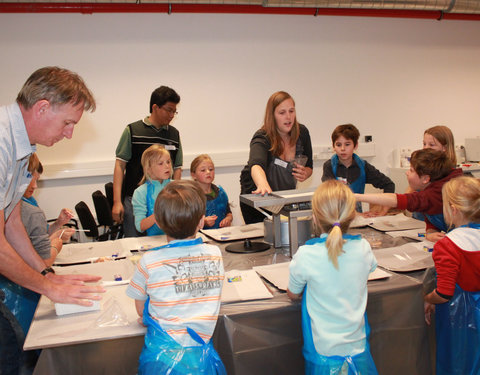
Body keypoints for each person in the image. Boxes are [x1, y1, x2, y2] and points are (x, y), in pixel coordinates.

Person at [0, 66, 104, 374]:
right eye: (68, 123)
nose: (70, 133)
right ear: (43, 107)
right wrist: (48, 287)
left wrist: (46, 271)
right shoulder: (2, 142)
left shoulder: (22, 147)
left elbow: (11, 221)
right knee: (11, 357)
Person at [126, 180, 226, 374]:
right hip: (201, 358)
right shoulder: (215, 254)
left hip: (162, 360)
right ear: (200, 221)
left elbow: (140, 310)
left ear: (160, 222)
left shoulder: (149, 261)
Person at [287, 180, 378, 374]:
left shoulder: (306, 255)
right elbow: (368, 269)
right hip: (358, 346)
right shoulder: (363, 248)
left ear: (315, 218)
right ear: (352, 215)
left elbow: (293, 294)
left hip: (322, 350)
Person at [424, 176, 480, 375]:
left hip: (460, 319)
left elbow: (444, 293)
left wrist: (427, 298)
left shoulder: (449, 245)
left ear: (453, 210)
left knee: (457, 364)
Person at [113, 86, 182, 237]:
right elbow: (120, 165)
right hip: (134, 198)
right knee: (135, 243)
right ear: (155, 107)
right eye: (169, 110)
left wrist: (175, 196)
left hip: (164, 201)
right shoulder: (133, 130)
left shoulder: (174, 134)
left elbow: (177, 168)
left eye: (174, 111)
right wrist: (117, 201)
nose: (171, 115)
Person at [355, 148, 463, 242]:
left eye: (411, 170)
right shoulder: (431, 189)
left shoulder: (437, 193)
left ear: (426, 179)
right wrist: (430, 233)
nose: (407, 173)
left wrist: (357, 196)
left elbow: (398, 200)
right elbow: (431, 217)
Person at [240, 91, 313, 224]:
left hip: (283, 198)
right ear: (272, 116)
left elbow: (309, 168)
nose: (288, 117)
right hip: (258, 199)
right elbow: (256, 165)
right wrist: (262, 185)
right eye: (282, 113)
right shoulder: (262, 137)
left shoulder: (302, 133)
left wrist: (305, 173)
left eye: (291, 111)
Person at [322, 123, 395, 216]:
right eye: (338, 145)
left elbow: (389, 185)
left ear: (355, 146)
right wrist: (354, 215)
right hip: (335, 217)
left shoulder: (363, 166)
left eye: (347, 144)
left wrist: (383, 208)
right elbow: (330, 196)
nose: (343, 148)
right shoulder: (329, 166)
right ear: (333, 146)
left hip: (358, 220)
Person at [21, 153, 75, 267]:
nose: (35, 186)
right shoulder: (28, 211)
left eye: (37, 180)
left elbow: (42, 234)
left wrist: (58, 223)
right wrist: (56, 242)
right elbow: (40, 258)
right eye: (32, 180)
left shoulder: (30, 200)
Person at [409, 125, 457, 221]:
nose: (426, 148)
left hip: (433, 219)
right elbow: (413, 188)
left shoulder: (447, 173)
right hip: (419, 218)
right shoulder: (425, 165)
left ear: (444, 147)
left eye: (431, 145)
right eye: (424, 144)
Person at [132, 145, 172, 236]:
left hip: (177, 239)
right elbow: (140, 226)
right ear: (148, 169)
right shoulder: (140, 192)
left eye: (168, 162)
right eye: (160, 163)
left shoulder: (177, 187)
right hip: (154, 241)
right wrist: (157, 216)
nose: (167, 166)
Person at [190, 154, 233, 229]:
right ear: (193, 175)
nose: (208, 172)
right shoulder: (191, 196)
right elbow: (187, 221)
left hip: (221, 235)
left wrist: (228, 219)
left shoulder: (221, 192)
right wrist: (204, 221)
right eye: (203, 170)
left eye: (211, 169)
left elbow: (228, 213)